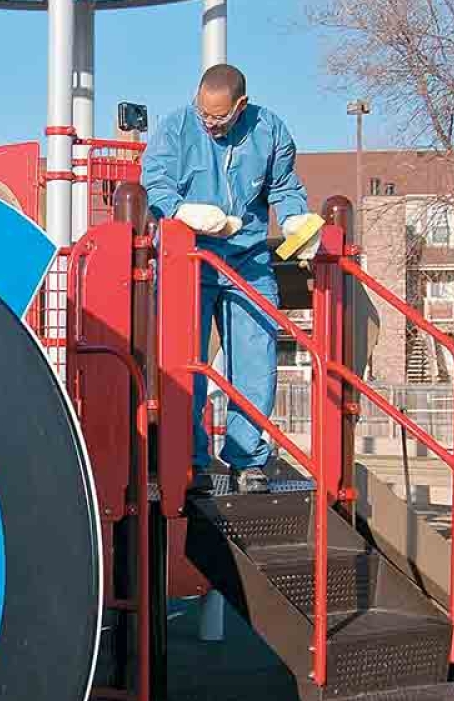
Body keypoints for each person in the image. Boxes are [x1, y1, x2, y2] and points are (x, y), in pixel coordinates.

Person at [142, 63, 319, 495]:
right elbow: (155, 179)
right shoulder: (177, 128)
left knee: (256, 359)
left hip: (248, 261)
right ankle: (190, 459)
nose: (209, 123)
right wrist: (182, 211)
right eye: (203, 112)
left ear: (240, 106)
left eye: (218, 116)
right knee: (186, 362)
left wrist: (296, 218)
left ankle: (247, 458)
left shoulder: (269, 129)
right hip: (189, 257)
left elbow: (283, 186)